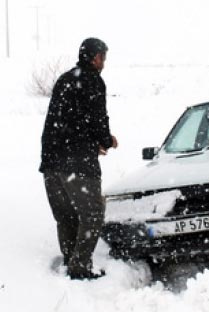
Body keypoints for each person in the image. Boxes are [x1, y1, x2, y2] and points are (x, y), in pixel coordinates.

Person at [39, 38, 117, 280]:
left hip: (51, 161)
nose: (104, 62)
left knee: (66, 216)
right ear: (95, 57)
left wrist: (89, 142)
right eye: (103, 57)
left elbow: (65, 121)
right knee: (93, 213)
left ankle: (69, 259)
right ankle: (80, 267)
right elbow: (97, 118)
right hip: (78, 163)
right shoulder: (93, 80)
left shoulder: (64, 79)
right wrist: (105, 140)